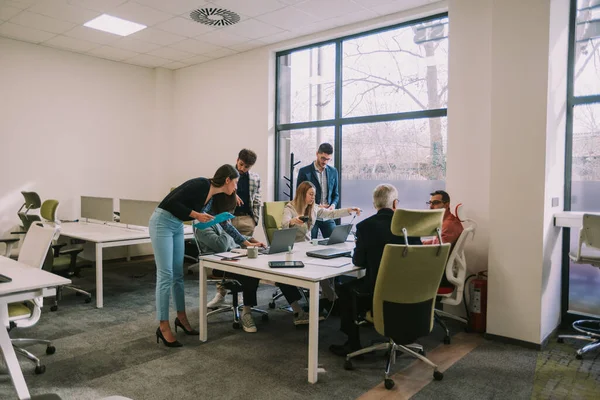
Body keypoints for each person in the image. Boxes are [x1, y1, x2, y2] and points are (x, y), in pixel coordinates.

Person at [150, 164, 252, 347]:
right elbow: (171, 203)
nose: (236, 188)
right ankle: (163, 325)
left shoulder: (212, 197)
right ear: (227, 180)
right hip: (162, 222)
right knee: (166, 276)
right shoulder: (201, 184)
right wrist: (196, 214)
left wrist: (245, 242)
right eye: (235, 183)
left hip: (177, 226)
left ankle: (181, 318)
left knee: (178, 276)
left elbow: (225, 223)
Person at [329, 184, 422, 357]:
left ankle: (353, 344)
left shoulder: (365, 226)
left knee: (345, 289)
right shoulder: (410, 226)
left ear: (375, 205)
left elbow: (358, 261)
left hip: (377, 290)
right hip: (410, 289)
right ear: (395, 203)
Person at [197, 193, 309, 329]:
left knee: (277, 267)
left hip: (235, 256)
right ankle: (246, 313)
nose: (231, 214)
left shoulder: (219, 222)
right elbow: (221, 245)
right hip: (218, 264)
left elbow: (235, 237)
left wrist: (251, 241)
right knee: (250, 272)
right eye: (229, 210)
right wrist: (225, 225)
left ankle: (297, 311)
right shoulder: (201, 225)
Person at [282, 180, 361, 310]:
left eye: (314, 195)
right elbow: (284, 224)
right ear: (302, 194)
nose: (313, 197)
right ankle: (331, 300)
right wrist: (292, 221)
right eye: (311, 194)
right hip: (293, 248)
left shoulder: (313, 208)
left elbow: (331, 214)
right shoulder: (290, 208)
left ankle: (330, 299)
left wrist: (349, 210)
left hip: (307, 246)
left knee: (322, 266)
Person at [296, 143, 340, 239]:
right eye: (323, 158)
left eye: (328, 159)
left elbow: (336, 195)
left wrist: (333, 206)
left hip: (327, 214)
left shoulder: (333, 171)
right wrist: (316, 205)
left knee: (336, 240)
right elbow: (299, 195)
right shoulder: (304, 172)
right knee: (310, 244)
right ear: (317, 154)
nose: (325, 162)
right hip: (311, 215)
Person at [232, 149, 261, 237]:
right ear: (237, 160)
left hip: (247, 220)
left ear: (251, 166)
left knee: (247, 249)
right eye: (241, 164)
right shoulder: (227, 174)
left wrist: (254, 220)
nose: (242, 168)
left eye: (246, 167)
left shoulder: (255, 178)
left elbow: (257, 199)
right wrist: (233, 195)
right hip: (229, 219)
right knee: (228, 249)